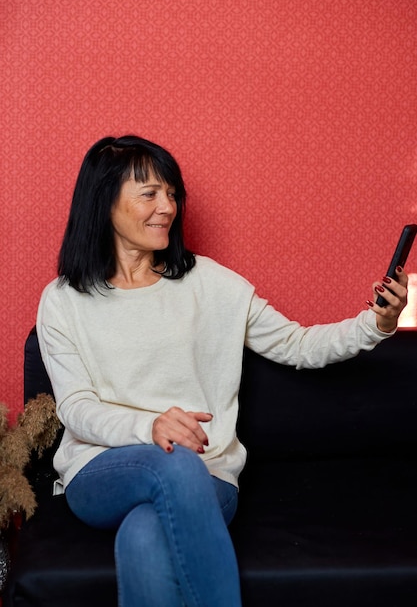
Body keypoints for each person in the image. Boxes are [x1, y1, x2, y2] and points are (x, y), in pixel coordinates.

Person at [36, 134, 408, 607]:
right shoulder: (64, 300)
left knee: (144, 536)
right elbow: (76, 407)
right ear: (103, 203)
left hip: (206, 475)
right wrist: (149, 426)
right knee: (172, 461)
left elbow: (297, 344)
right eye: (149, 193)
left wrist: (376, 323)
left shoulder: (209, 283)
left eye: (172, 193)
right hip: (102, 469)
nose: (167, 206)